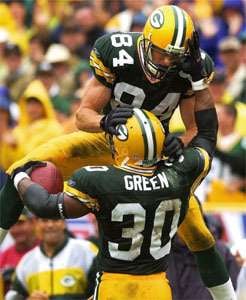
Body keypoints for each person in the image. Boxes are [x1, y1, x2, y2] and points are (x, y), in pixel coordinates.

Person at [0, 5, 233, 300]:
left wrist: (179, 143)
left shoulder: (191, 69)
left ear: (183, 54)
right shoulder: (118, 53)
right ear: (145, 41)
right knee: (22, 165)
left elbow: (194, 130)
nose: (163, 61)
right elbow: (82, 116)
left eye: (172, 56)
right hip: (107, 140)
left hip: (153, 157)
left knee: (199, 233)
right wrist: (104, 121)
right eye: (159, 52)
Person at [11, 108, 223, 300]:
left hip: (114, 285)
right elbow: (207, 134)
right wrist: (199, 84)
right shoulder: (180, 174)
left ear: (122, 142)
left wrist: (20, 177)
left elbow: (46, 206)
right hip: (157, 286)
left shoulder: (100, 179)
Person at [5, 218, 98, 300]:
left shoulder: (87, 250)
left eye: (55, 220)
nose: (50, 225)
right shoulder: (27, 260)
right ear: (36, 224)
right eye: (44, 221)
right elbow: (12, 296)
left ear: (64, 223)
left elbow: (101, 290)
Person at [0, 209, 38, 295]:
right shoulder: (4, 256)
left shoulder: (45, 251)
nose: (16, 229)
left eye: (21, 223)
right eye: (12, 225)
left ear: (33, 222)